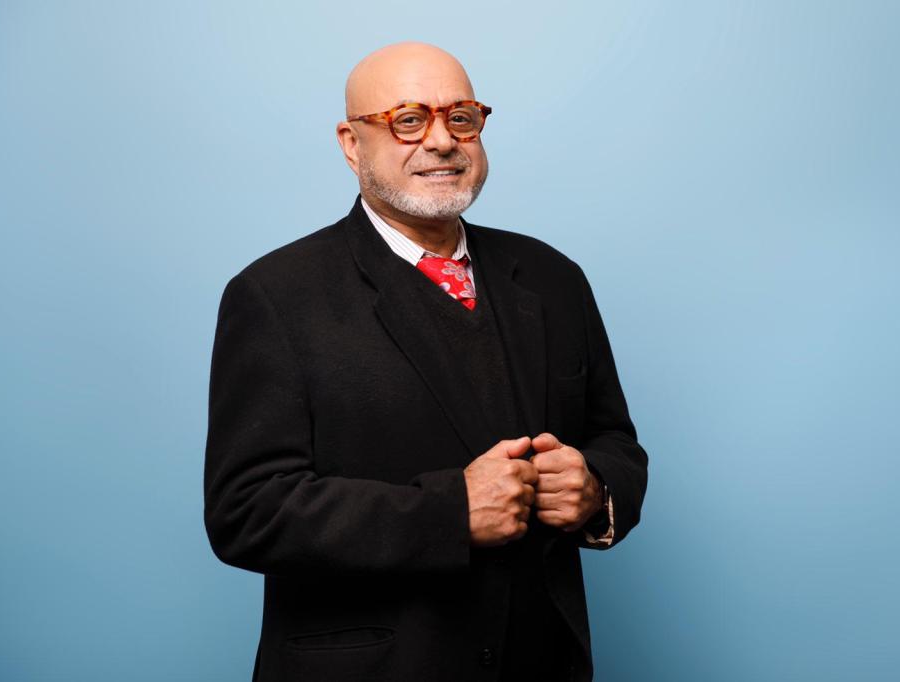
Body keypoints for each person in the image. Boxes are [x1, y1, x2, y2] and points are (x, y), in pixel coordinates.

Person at [204, 41, 647, 682]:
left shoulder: (553, 277)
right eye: (408, 120)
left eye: (460, 117)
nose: (441, 141)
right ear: (351, 143)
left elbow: (614, 441)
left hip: (541, 661)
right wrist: (449, 514)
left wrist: (594, 488)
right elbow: (246, 512)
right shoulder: (274, 296)